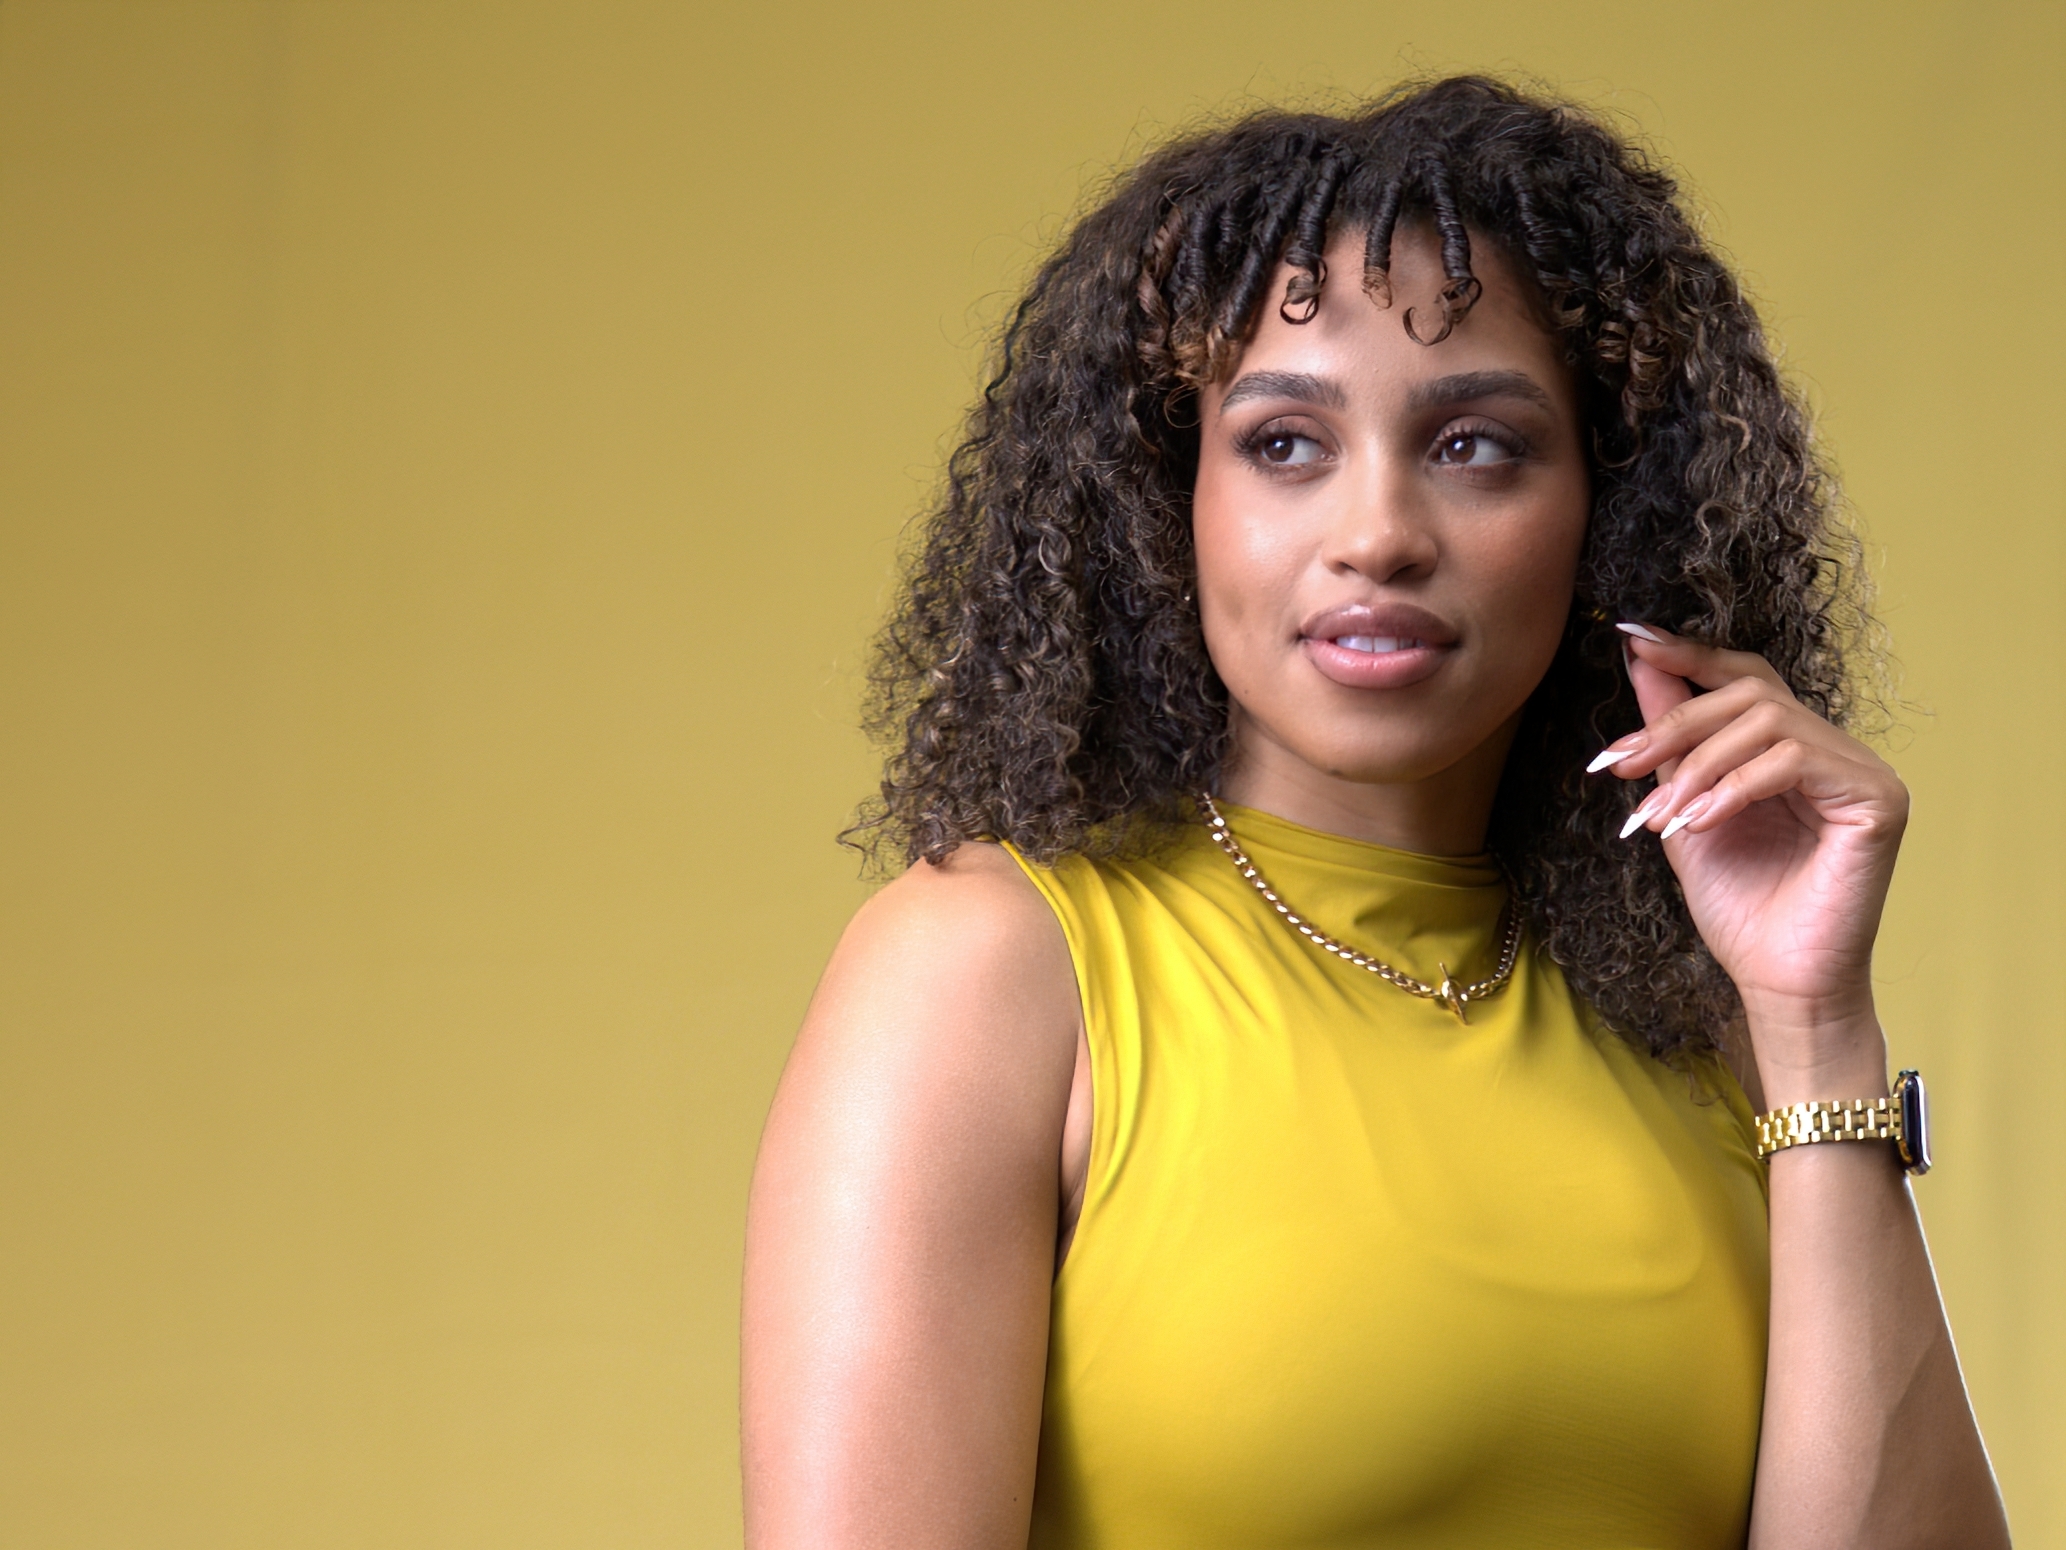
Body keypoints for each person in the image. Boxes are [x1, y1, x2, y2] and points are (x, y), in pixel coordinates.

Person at [740, 76, 2010, 1548]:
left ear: (1605, 508)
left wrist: (1814, 1016)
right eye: (1284, 442)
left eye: (1475, 444)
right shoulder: (987, 974)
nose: (1377, 535)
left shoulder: (1704, 1020)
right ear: (1173, 497)